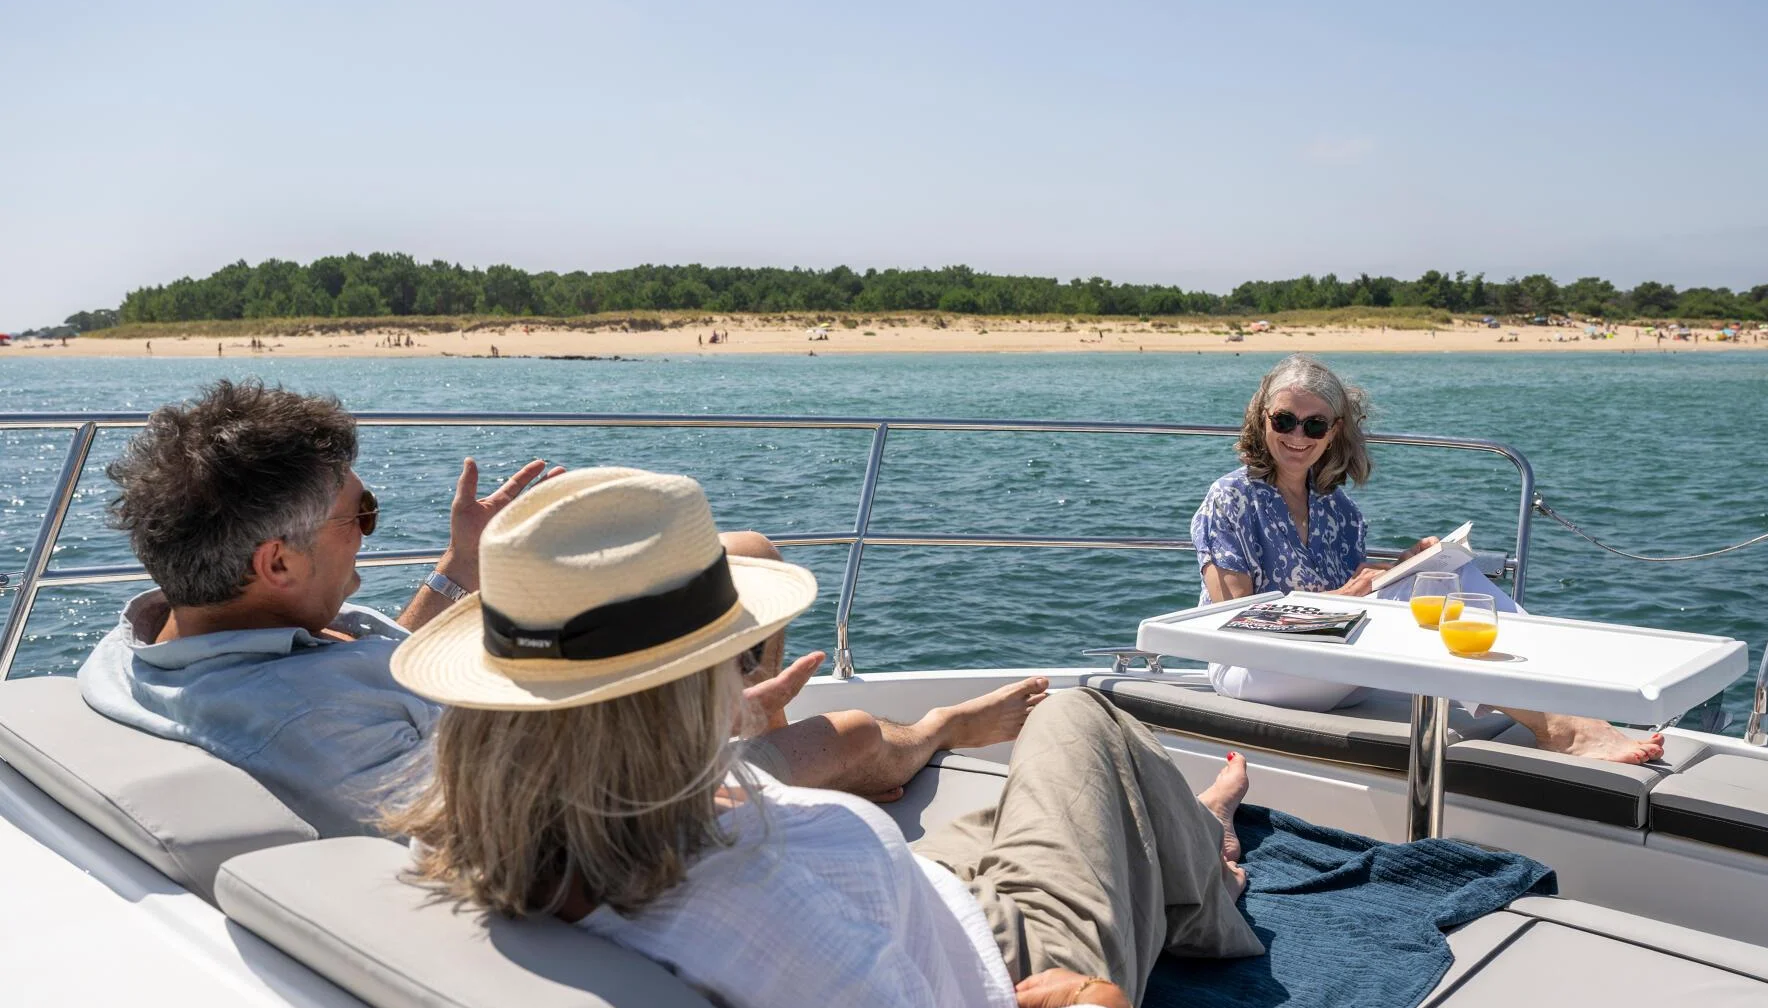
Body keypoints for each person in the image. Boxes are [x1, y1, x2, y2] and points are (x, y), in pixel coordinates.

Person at [385, 467, 1262, 1008]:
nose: (744, 672)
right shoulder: (758, 916)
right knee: (1078, 719)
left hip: (918, 905)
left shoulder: (498, 854)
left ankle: (1174, 848)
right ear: (684, 693)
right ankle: (1205, 871)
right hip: (1013, 980)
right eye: (734, 658)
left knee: (1013, 810)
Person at [78, 379, 1044, 836]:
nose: (370, 531)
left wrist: (457, 574)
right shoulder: (313, 733)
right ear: (277, 559)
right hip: (590, 795)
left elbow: (368, 671)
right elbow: (516, 828)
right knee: (855, 730)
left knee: (745, 556)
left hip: (511, 739)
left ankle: (770, 728)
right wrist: (703, 731)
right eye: (358, 516)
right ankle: (931, 736)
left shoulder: (153, 641)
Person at [1191, 356, 1663, 764]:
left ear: (1333, 432)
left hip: (1330, 662)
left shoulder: (1340, 510)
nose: (1299, 435)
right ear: (1262, 420)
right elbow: (1229, 619)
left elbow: (1356, 595)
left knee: (1443, 575)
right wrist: (1341, 598)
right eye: (1284, 421)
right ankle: (1563, 727)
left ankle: (1566, 696)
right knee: (1418, 597)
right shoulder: (1232, 498)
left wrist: (1405, 568)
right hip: (1252, 667)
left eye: (1314, 425)